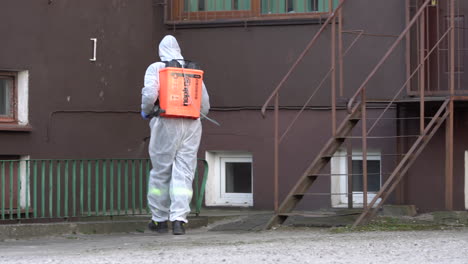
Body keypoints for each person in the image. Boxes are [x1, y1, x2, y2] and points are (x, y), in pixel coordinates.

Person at [140, 35, 210, 235]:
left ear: (161, 50)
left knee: (161, 171)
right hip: (192, 124)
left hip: (166, 122)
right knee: (185, 171)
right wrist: (195, 117)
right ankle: (179, 220)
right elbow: (204, 103)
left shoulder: (157, 68)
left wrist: (146, 110)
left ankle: (159, 219)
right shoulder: (191, 70)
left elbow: (150, 94)